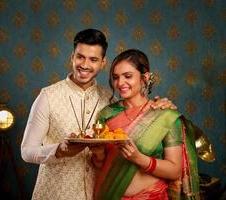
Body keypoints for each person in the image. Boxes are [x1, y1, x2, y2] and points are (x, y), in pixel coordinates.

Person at [21, 29, 176, 200]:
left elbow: (138, 113)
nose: (85, 65)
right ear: (72, 57)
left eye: (93, 59)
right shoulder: (48, 96)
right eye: (80, 57)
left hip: (100, 194)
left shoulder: (110, 101)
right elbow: (27, 151)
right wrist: (59, 150)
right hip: (55, 194)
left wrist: (159, 106)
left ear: (103, 63)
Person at [93, 49, 200, 200]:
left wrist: (138, 158)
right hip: (111, 195)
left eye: (128, 76)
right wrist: (97, 153)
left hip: (152, 196)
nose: (120, 83)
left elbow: (175, 170)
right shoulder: (106, 114)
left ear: (145, 77)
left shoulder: (165, 115)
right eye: (116, 77)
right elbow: (99, 166)